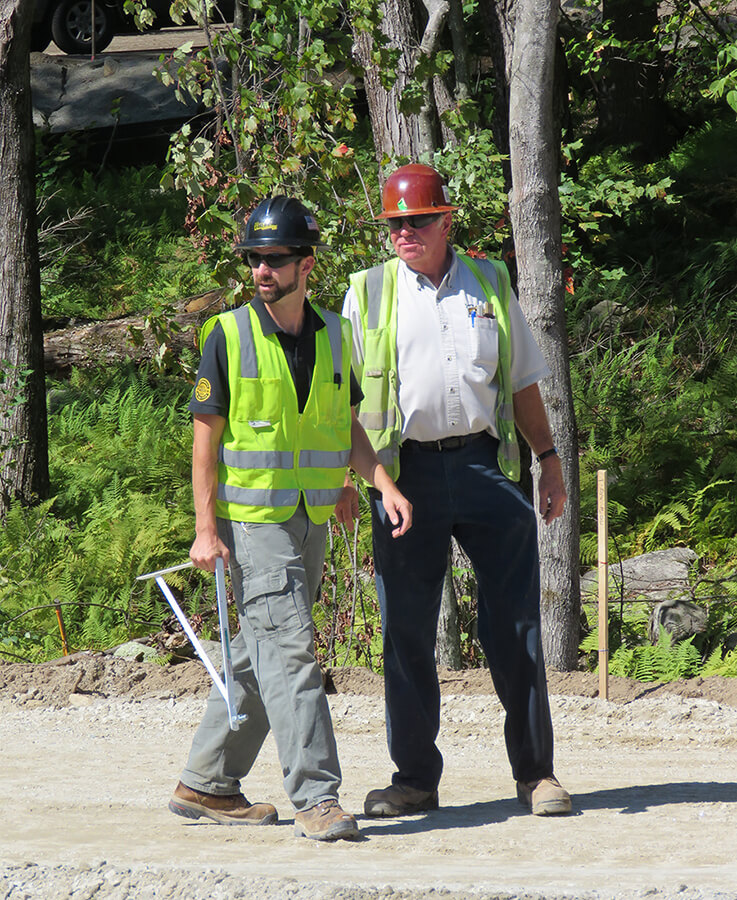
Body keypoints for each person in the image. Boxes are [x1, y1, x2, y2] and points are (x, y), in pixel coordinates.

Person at [168, 196, 412, 842]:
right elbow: (204, 443)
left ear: (305, 264)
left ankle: (207, 782)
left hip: (311, 522)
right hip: (255, 527)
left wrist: (374, 481)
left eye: (274, 259)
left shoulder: (334, 335)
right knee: (292, 654)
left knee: (257, 655)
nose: (261, 271)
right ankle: (317, 797)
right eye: (254, 259)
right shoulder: (226, 336)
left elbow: (345, 425)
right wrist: (204, 528)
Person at [337, 164, 572, 818]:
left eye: (416, 220)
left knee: (517, 625)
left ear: (445, 220)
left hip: (478, 465)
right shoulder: (368, 293)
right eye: (394, 224)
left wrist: (547, 460)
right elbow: (341, 400)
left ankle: (536, 775)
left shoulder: (490, 282)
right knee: (405, 632)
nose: (404, 233)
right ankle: (413, 779)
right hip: (402, 476)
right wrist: (357, 482)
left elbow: (523, 381)